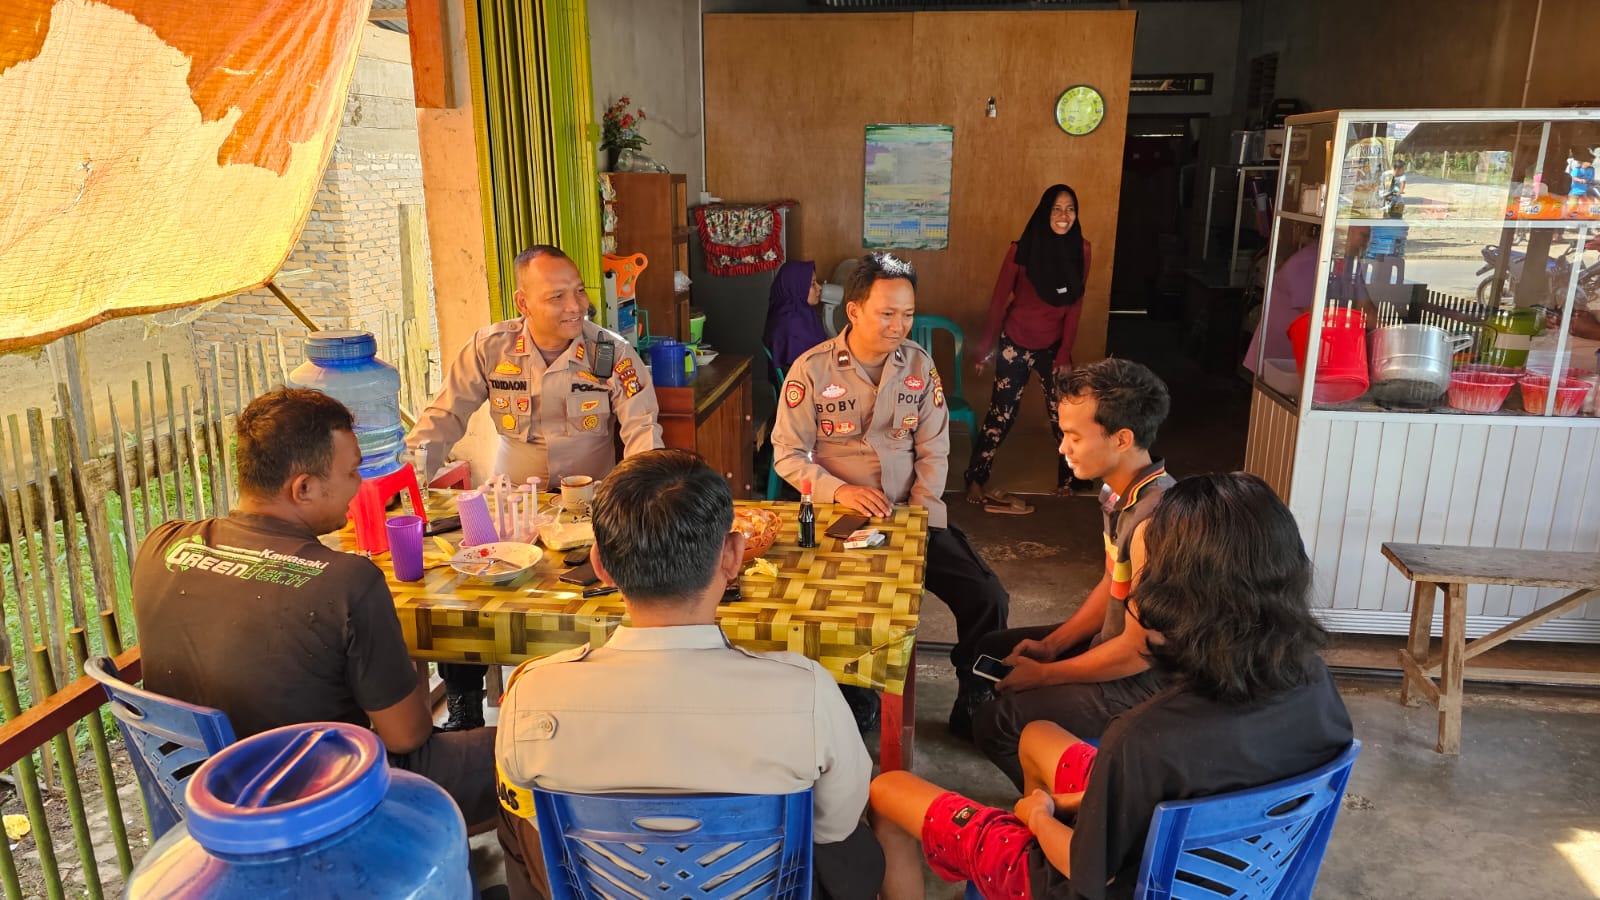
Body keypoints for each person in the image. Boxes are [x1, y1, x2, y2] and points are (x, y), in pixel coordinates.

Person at [869, 473, 1355, 900]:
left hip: (1087, 881)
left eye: (1141, 576)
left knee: (888, 790)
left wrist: (1037, 817)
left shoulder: (1143, 739)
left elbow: (1089, 873)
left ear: (1167, 600)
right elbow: (1176, 797)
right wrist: (1069, 804)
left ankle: (1016, 870)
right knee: (1038, 736)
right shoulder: (1316, 686)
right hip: (1218, 870)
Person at [494, 450, 882, 900]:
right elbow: (835, 824)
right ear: (733, 556)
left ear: (600, 564)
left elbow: (534, 819)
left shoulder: (532, 694)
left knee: (514, 819)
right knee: (857, 853)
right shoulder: (807, 693)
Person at [132, 389, 497, 827]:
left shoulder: (161, 546)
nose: (360, 484)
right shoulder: (348, 582)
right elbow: (407, 736)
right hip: (321, 801)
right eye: (352, 471)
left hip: (203, 796)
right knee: (521, 753)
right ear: (303, 488)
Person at [408, 244, 664, 731]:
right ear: (523, 303)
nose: (576, 306)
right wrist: (410, 480)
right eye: (557, 296)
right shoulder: (490, 348)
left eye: (579, 292)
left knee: (588, 601)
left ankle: (581, 701)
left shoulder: (610, 352)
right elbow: (444, 417)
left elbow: (642, 429)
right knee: (468, 594)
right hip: (513, 506)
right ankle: (464, 703)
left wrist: (638, 499)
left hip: (590, 506)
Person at [772, 252, 1010, 738]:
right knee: (839, 609)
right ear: (854, 310)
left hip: (909, 512)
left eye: (907, 314)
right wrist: (840, 491)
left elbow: (935, 447)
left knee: (987, 596)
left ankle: (974, 699)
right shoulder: (812, 369)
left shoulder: (919, 366)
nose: (899, 326)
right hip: (840, 518)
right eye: (887, 314)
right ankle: (857, 696)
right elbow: (788, 455)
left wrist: (920, 512)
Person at [971, 359, 1171, 787]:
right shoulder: (1117, 494)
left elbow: (1138, 652)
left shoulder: (1156, 520)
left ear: (1122, 439)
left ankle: (1072, 812)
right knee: (988, 648)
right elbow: (1111, 583)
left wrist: (1046, 675)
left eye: (1074, 436)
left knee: (996, 723)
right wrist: (1052, 646)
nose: (1063, 448)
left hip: (1141, 679)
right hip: (1114, 645)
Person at [966, 185, 1096, 510]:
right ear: (1044, 212)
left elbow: (1075, 305)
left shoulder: (1081, 249)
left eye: (1070, 209)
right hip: (1016, 341)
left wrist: (1064, 352)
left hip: (1053, 346)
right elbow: (999, 301)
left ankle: (1069, 479)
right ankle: (976, 478)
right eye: (1056, 209)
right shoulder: (1020, 250)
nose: (1064, 216)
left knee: (1064, 415)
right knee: (1002, 413)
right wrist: (984, 348)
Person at [763, 259, 830, 379]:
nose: (819, 287)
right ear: (796, 287)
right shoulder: (792, 326)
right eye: (812, 284)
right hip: (805, 385)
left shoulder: (797, 313)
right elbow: (806, 372)